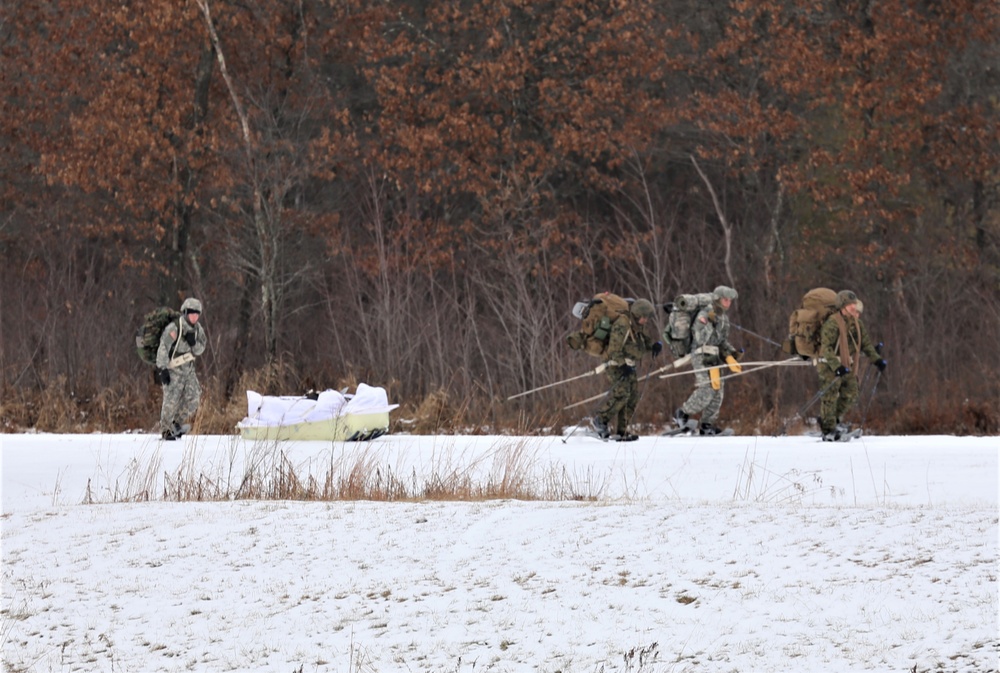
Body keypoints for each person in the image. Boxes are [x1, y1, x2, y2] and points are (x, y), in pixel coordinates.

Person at [816, 290, 886, 441]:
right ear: (843, 306)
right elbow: (825, 348)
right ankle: (828, 429)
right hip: (829, 364)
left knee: (852, 392)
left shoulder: (856, 323)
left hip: (846, 365)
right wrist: (836, 366)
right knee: (830, 395)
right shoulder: (832, 323)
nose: (854, 307)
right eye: (850, 304)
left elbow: (866, 345)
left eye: (854, 304)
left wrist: (877, 360)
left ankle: (830, 420)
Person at [673, 286, 741, 435]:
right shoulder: (705, 313)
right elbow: (700, 338)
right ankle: (682, 413)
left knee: (718, 392)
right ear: (717, 299)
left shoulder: (724, 319)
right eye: (725, 299)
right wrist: (710, 322)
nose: (728, 303)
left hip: (715, 357)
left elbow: (722, 341)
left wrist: (732, 353)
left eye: (730, 300)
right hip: (701, 356)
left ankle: (707, 424)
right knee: (707, 389)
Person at [591, 298, 662, 441]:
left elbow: (642, 341)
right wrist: (622, 365)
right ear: (637, 314)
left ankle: (622, 430)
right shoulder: (622, 324)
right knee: (622, 394)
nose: (646, 320)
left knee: (633, 396)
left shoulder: (637, 326)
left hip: (629, 365)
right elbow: (614, 349)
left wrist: (653, 346)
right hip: (616, 364)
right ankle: (600, 420)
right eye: (644, 317)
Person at [156, 297, 207, 440]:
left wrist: (193, 343)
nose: (194, 317)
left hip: (188, 369)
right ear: (185, 313)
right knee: (171, 400)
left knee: (194, 397)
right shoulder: (175, 328)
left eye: (197, 314)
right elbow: (163, 347)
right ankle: (166, 430)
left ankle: (176, 423)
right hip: (173, 369)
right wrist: (162, 368)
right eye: (191, 313)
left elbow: (201, 347)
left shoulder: (198, 329)